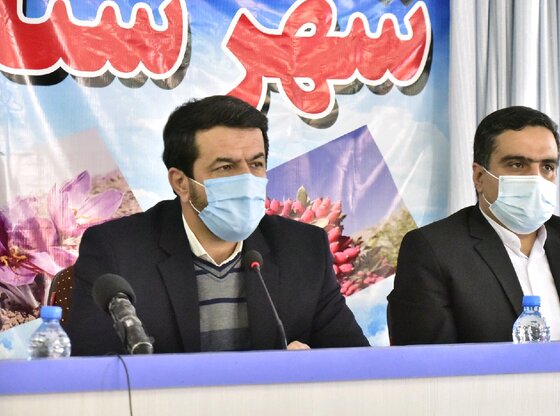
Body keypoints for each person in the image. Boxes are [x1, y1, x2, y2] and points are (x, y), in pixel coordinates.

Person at [67, 95, 368, 355]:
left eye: (256, 164)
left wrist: (310, 365)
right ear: (181, 183)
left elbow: (355, 361)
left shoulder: (303, 249)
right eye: (226, 167)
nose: (246, 179)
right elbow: (91, 370)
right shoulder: (116, 250)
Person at [387, 106, 560, 344]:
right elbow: (427, 365)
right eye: (517, 165)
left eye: (547, 167)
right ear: (479, 177)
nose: (536, 179)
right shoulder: (434, 251)